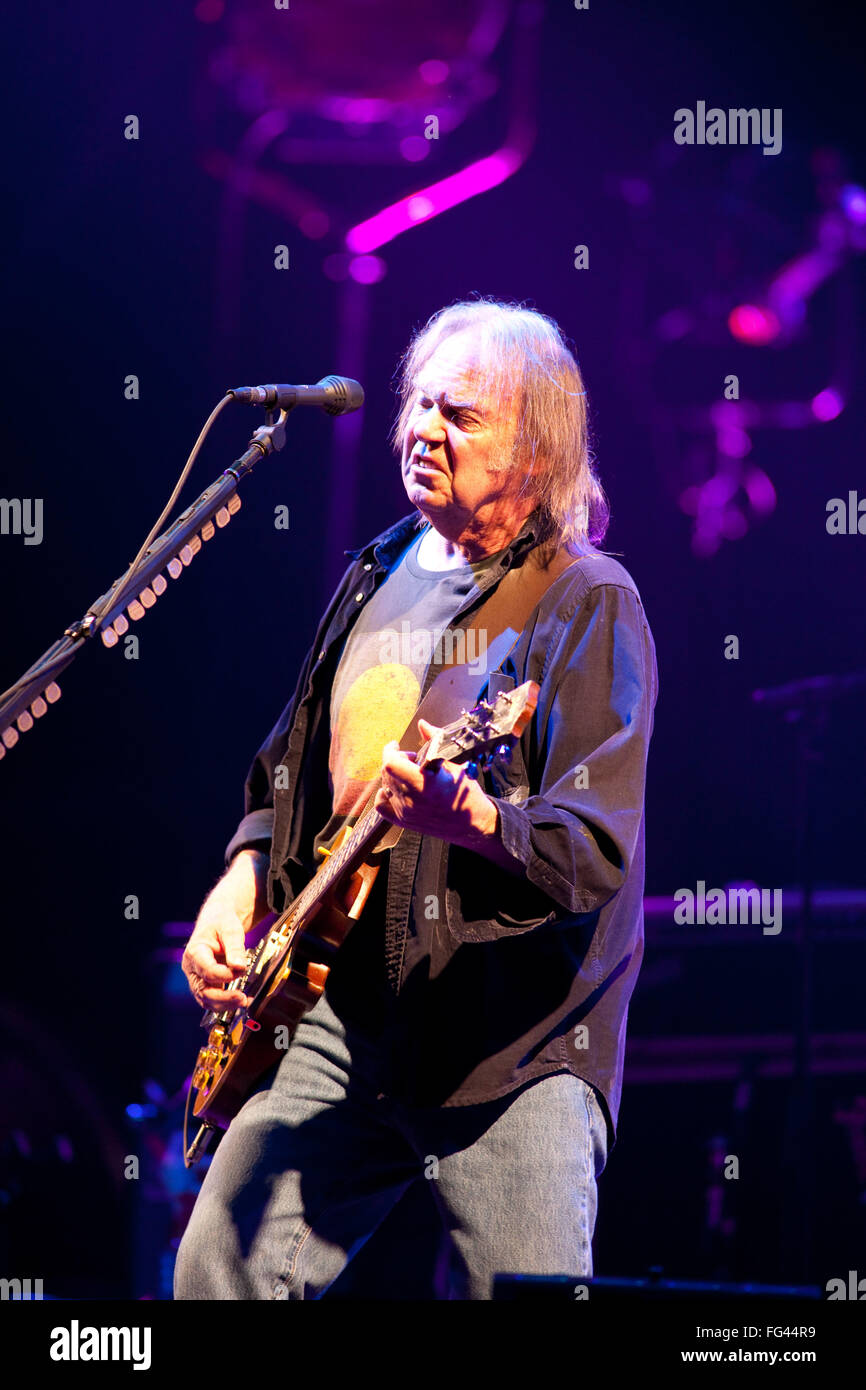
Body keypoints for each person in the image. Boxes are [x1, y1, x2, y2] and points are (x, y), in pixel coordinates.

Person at [174, 298, 658, 1301]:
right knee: (216, 1270)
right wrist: (241, 876)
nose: (422, 430)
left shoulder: (584, 599)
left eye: (461, 416)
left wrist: (473, 818)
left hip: (508, 1046)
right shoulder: (376, 570)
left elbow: (591, 850)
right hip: (341, 1014)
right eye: (418, 405)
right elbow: (285, 766)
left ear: (533, 451)